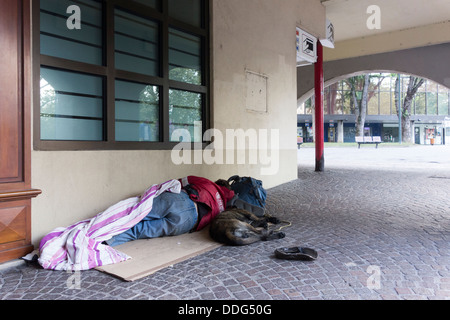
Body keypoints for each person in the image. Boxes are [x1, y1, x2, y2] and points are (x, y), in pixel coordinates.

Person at [106, 176, 235, 247]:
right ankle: (106, 242)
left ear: (217, 183)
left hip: (180, 200)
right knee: (139, 231)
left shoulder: (207, 183)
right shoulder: (222, 209)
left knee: (134, 213)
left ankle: (98, 229)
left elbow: (180, 182)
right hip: (187, 223)